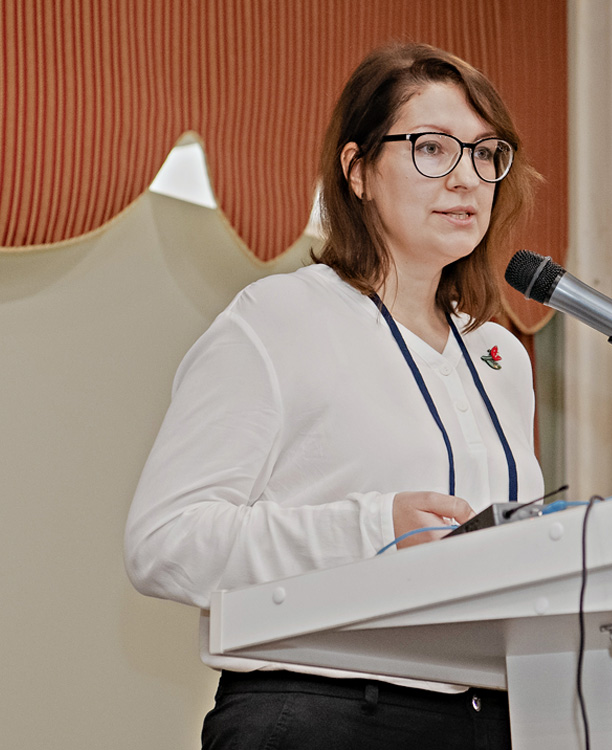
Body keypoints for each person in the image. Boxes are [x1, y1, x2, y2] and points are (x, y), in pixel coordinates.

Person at [124, 42, 544, 749]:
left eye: (485, 153)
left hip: (493, 721)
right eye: (432, 148)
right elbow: (164, 541)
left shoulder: (498, 356)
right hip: (326, 713)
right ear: (358, 171)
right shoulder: (279, 317)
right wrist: (372, 528)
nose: (466, 177)